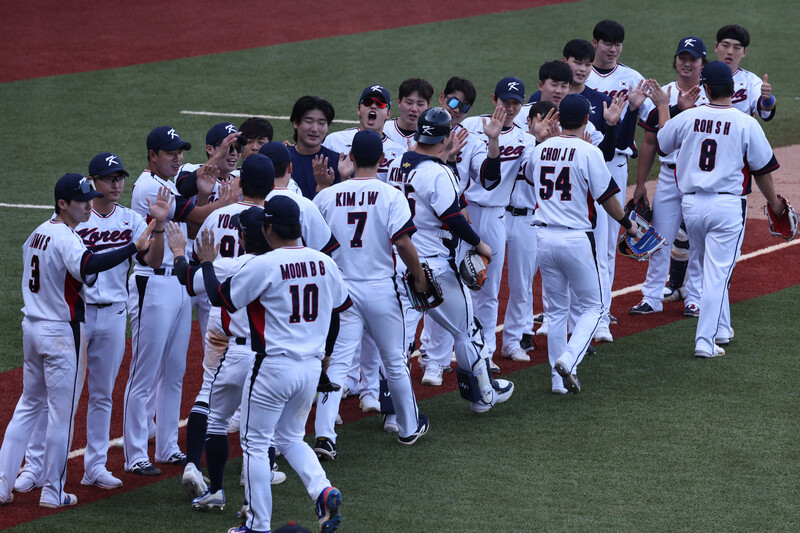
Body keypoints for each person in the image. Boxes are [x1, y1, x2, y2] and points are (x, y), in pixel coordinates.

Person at [0, 173, 160, 508]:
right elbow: (91, 264)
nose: (89, 204)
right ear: (63, 203)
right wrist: (133, 246)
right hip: (60, 334)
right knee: (61, 415)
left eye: (90, 198)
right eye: (82, 200)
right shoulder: (65, 238)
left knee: (28, 407)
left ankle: (2, 486)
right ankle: (53, 491)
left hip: (31, 328)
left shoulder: (37, 234)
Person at [198, 195, 350, 533]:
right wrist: (326, 352)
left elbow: (221, 299)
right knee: (291, 439)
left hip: (272, 368)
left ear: (268, 228)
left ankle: (256, 525)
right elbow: (341, 307)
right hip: (310, 369)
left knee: (254, 443)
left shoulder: (265, 264)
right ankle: (322, 490)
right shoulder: (324, 262)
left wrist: (207, 264)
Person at [123, 125, 235, 476]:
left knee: (174, 370)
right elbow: (196, 217)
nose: (178, 158)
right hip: (151, 284)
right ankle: (136, 453)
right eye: (170, 152)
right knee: (144, 372)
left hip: (177, 284)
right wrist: (226, 201)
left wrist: (206, 188)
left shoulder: (169, 184)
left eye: (181, 152)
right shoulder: (148, 187)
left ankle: (168, 446)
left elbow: (189, 219)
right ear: (152, 155)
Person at [312, 130, 430, 461]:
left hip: (342, 290)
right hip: (380, 287)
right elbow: (403, 243)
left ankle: (325, 433)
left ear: (350, 157)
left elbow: (316, 246)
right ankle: (408, 427)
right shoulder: (390, 195)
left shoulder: (326, 197)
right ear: (381, 159)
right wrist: (418, 276)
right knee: (394, 359)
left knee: (337, 362)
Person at [390, 107, 514, 413]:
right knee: (465, 330)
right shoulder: (439, 172)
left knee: (397, 342)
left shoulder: (397, 164)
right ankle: (482, 396)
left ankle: (393, 411)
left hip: (396, 261)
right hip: (431, 265)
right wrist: (480, 243)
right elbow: (452, 217)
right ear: (446, 137)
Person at [656, 61, 782, 357]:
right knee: (717, 274)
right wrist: (774, 202)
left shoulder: (689, 116)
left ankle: (722, 329)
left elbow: (662, 144)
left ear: (706, 89)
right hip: (726, 206)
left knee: (713, 267)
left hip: (692, 207)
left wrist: (670, 108)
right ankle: (704, 341)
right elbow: (762, 169)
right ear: (734, 89)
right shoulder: (745, 122)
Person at [181, 153, 281, 498]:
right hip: (250, 318)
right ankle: (259, 469)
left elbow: (195, 265)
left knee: (209, 392)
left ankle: (194, 463)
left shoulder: (214, 216)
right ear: (271, 185)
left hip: (214, 312)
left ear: (239, 182)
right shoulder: (271, 220)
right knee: (258, 400)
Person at [526, 94, 640, 393]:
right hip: (575, 238)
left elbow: (529, 179)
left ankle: (558, 381)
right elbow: (607, 200)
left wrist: (540, 140)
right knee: (594, 306)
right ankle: (569, 357)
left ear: (560, 119)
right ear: (587, 120)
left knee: (557, 311)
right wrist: (629, 225)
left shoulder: (540, 150)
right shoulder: (589, 152)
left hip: (543, 238)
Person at [629, 37, 709, 318]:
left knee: (699, 240)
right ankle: (651, 297)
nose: (686, 63)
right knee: (658, 237)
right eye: (682, 57)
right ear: (675, 60)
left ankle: (694, 297)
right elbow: (650, 142)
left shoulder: (710, 95)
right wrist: (640, 184)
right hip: (669, 175)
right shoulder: (660, 93)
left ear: (702, 63)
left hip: (700, 179)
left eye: (693, 59)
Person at [461, 76, 532, 370]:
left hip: (494, 216)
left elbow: (532, 176)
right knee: (453, 283)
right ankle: (442, 352)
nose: (511, 107)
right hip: (462, 213)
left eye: (516, 102)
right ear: (494, 100)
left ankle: (486, 350)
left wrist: (541, 139)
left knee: (487, 286)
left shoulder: (525, 139)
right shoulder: (469, 128)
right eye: (506, 101)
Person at [323, 84, 405, 184]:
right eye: (367, 102)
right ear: (358, 109)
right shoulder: (333, 140)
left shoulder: (399, 153)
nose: (373, 106)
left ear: (388, 114)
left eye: (380, 104)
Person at [287, 96, 346, 200]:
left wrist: (346, 178)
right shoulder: (282, 159)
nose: (314, 129)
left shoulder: (340, 163)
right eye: (309, 122)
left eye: (321, 123)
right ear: (295, 123)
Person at [714, 24, 776, 120]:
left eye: (736, 48)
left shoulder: (751, 81)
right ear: (716, 46)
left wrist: (768, 99)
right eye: (725, 45)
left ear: (744, 52)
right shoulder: (697, 78)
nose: (730, 52)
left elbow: (766, 113)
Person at [383, 78, 434, 147]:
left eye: (420, 104)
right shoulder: (383, 129)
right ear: (399, 102)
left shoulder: (431, 136)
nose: (414, 109)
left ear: (428, 106)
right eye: (409, 103)